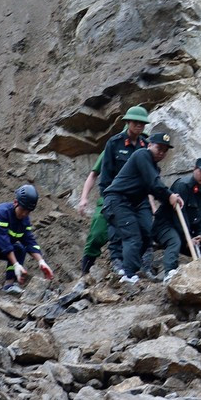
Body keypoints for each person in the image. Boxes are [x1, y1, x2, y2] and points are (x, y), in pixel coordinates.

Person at [75, 105, 150, 275]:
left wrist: (150, 204)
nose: (139, 127)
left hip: (134, 200)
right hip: (110, 197)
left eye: (142, 124)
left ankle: (131, 267)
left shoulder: (144, 146)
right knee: (97, 235)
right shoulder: (113, 145)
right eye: (136, 123)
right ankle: (85, 274)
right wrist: (84, 198)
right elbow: (95, 174)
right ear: (128, 123)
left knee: (140, 232)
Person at [101, 132, 184, 284]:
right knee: (132, 236)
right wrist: (170, 195)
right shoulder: (142, 155)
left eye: (165, 150)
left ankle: (133, 267)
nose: (161, 152)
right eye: (159, 147)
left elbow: (154, 189)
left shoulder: (154, 168)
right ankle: (128, 275)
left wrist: (170, 198)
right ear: (149, 144)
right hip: (116, 201)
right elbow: (154, 183)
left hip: (131, 205)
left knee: (146, 234)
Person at [151, 158, 201, 280]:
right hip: (165, 227)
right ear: (194, 169)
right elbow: (179, 216)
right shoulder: (182, 186)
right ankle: (169, 273)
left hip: (186, 234)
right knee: (174, 241)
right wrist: (187, 238)